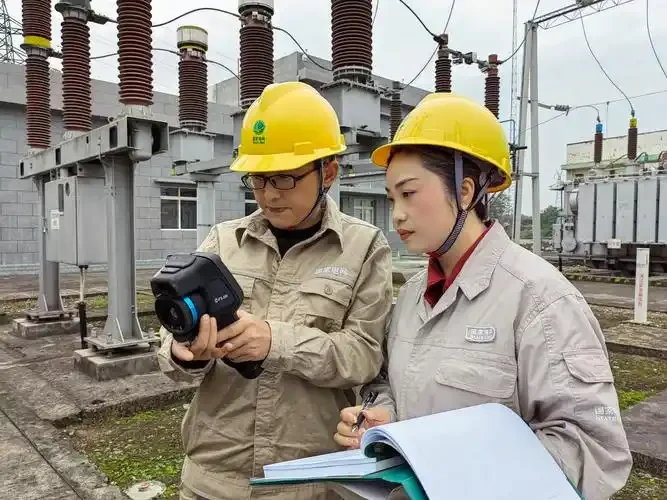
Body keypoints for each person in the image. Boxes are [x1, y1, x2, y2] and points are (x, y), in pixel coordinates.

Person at [333, 92, 633, 500]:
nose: (397, 214)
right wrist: (383, 415)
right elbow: (390, 382)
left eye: (409, 193)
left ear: (465, 191)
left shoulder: (539, 299)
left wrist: (464, 474)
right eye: (391, 199)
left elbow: (594, 449)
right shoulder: (412, 297)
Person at [157, 81, 394, 500]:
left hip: (306, 480)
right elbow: (171, 343)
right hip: (213, 478)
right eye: (259, 178)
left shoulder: (364, 247)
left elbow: (363, 355)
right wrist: (184, 351)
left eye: (284, 177)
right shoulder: (223, 241)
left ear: (329, 172)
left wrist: (274, 341)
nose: (268, 194)